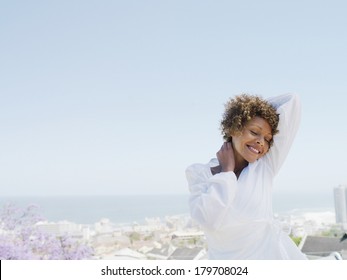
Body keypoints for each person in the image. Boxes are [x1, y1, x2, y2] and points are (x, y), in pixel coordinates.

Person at [185, 93, 307, 260]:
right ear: (234, 128)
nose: (261, 142)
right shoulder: (199, 173)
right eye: (254, 132)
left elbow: (293, 102)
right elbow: (208, 218)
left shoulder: (265, 167)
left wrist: (258, 110)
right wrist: (227, 172)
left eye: (267, 139)